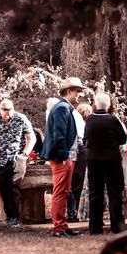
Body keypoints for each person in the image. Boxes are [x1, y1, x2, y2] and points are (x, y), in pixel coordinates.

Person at [40, 77, 86, 237]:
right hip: (62, 157)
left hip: (67, 156)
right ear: (68, 91)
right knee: (60, 192)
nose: (79, 95)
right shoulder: (62, 108)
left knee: (65, 191)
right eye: (77, 92)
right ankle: (59, 228)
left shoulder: (64, 107)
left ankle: (63, 225)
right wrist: (64, 156)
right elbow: (58, 135)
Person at [0, 99, 36, 226]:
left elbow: (31, 138)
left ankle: (14, 217)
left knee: (14, 186)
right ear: (0, 110)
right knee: (3, 188)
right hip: (0, 160)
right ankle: (8, 217)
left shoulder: (21, 118)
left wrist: (24, 154)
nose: (7, 114)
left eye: (9, 111)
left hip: (17, 157)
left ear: (13, 109)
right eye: (4, 111)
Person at [84, 93, 127, 234]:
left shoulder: (90, 120)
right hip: (112, 160)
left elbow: (86, 138)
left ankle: (95, 228)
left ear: (95, 105)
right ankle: (117, 226)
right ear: (108, 105)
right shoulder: (113, 120)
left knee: (95, 192)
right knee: (114, 192)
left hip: (94, 161)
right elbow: (122, 139)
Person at [67, 103, 92, 222]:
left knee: (75, 180)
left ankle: (75, 209)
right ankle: (78, 208)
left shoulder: (76, 121)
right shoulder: (86, 124)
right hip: (82, 150)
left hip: (77, 150)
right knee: (80, 180)